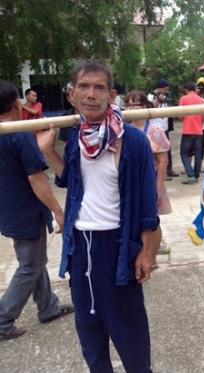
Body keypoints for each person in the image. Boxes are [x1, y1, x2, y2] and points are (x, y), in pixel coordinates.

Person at [36, 60, 158, 372]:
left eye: (99, 87)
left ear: (111, 94)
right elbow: (71, 181)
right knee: (90, 335)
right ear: (72, 95)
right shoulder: (76, 137)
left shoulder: (132, 140)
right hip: (79, 247)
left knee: (131, 337)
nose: (91, 94)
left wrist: (147, 251)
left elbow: (147, 202)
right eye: (84, 87)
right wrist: (49, 152)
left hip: (117, 247)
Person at [0, 80, 74, 341]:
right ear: (16, 103)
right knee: (30, 266)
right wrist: (58, 210)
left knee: (34, 261)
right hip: (24, 213)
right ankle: (3, 318)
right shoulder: (19, 135)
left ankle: (48, 306)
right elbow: (36, 179)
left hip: (10, 210)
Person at [124, 90, 172, 258]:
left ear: (144, 106)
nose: (130, 109)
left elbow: (162, 161)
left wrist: (158, 189)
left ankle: (152, 257)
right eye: (127, 105)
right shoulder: (124, 130)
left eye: (134, 105)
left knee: (152, 220)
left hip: (151, 182)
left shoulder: (155, 131)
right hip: (131, 183)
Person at [148, 78, 179, 180]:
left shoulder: (164, 96)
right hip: (156, 128)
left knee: (167, 149)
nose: (166, 91)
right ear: (160, 88)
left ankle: (168, 169)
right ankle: (161, 172)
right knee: (158, 151)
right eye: (165, 88)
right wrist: (158, 100)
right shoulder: (150, 97)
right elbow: (151, 109)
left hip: (164, 127)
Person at [179, 82, 204, 184]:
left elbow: (180, 116)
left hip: (188, 130)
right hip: (199, 130)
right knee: (198, 154)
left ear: (186, 90)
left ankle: (190, 174)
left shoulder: (183, 99)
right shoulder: (202, 101)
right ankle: (196, 175)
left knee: (184, 153)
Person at [196, 77, 204, 167]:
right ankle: (198, 167)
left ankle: (189, 168)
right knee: (199, 149)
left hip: (194, 128)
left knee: (192, 149)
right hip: (200, 128)